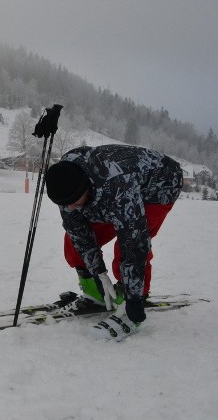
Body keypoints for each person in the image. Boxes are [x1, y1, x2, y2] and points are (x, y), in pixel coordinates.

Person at [44, 144, 183, 340]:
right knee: (74, 243)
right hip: (109, 192)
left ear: (85, 188)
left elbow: (134, 244)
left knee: (125, 247)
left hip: (160, 185)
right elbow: (78, 232)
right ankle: (95, 294)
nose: (69, 207)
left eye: (74, 202)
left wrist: (134, 299)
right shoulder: (66, 182)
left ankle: (133, 304)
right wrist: (98, 273)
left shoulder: (118, 187)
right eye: (65, 203)